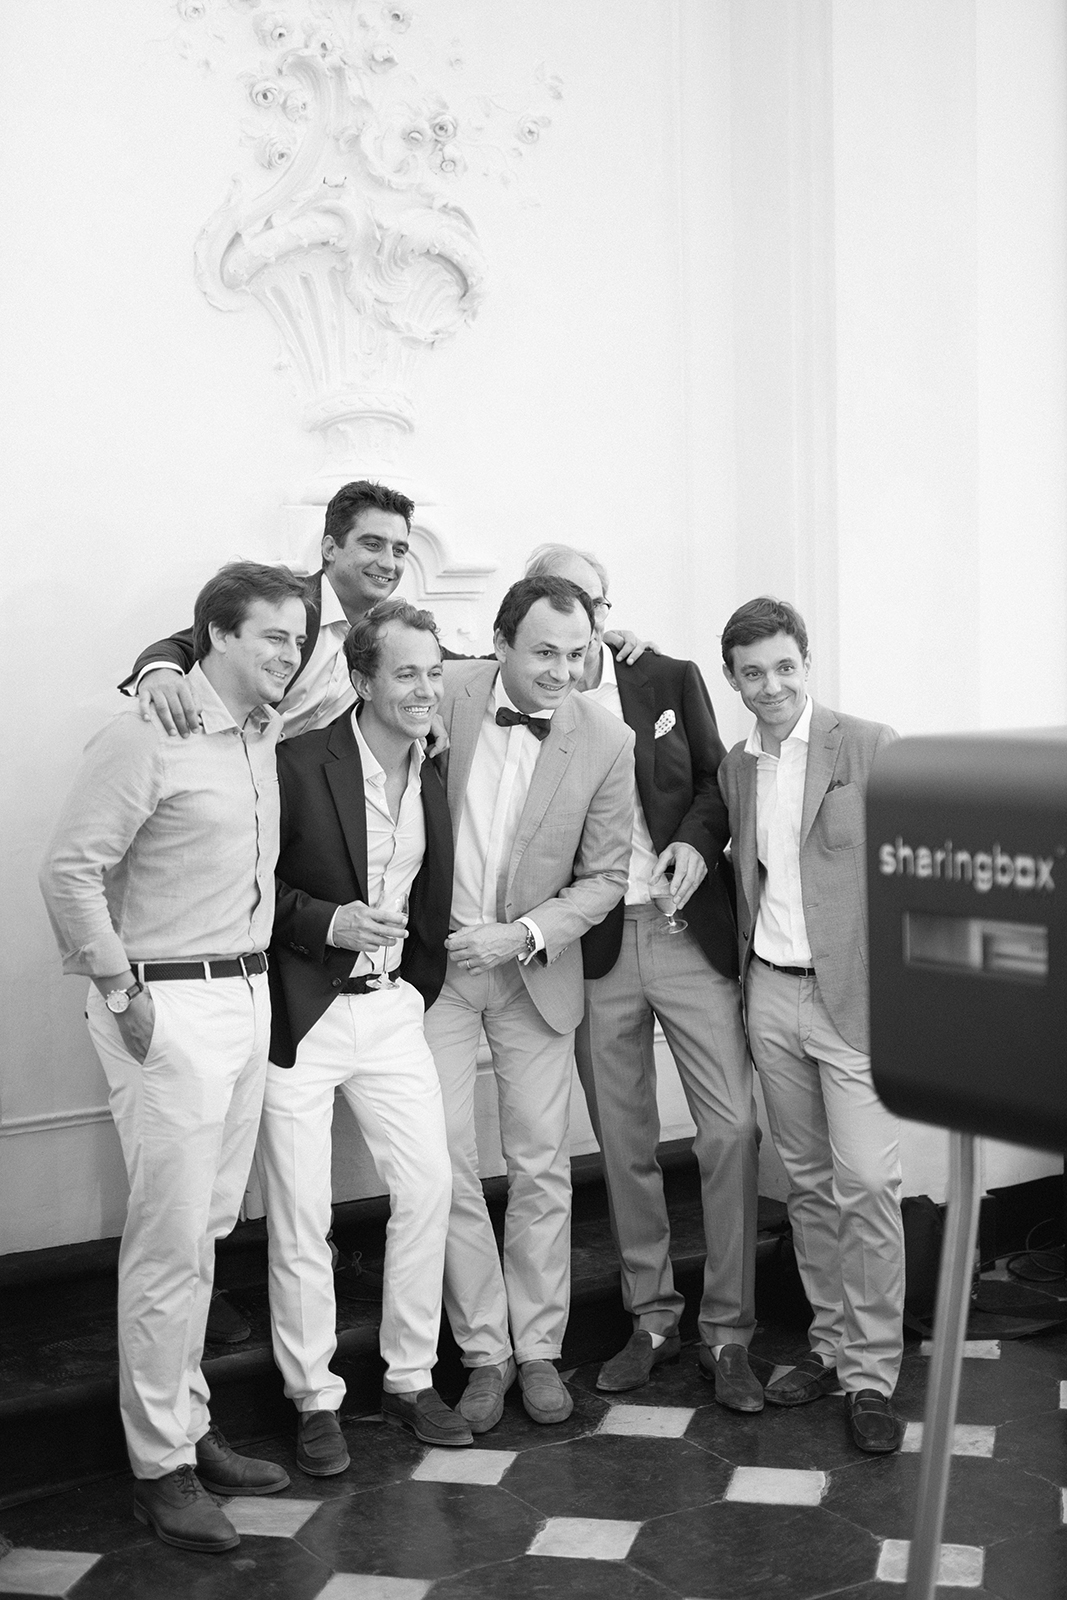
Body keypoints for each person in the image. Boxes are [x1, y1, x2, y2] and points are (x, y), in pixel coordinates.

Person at [39, 562, 311, 1553]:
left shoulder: (262, 728)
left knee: (201, 1231)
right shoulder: (143, 731)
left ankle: (189, 1428)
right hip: (165, 1002)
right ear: (217, 636)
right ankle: (160, 1470)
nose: (291, 651)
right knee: (164, 1245)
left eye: (297, 635)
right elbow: (68, 870)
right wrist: (122, 994)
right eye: (273, 635)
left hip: (243, 994)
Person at [524, 546, 761, 1411]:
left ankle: (729, 1333)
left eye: (586, 604)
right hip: (593, 942)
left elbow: (712, 782)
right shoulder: (522, 698)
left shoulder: (666, 676)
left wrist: (697, 844)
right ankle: (652, 1319)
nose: (573, 626)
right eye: (555, 609)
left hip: (681, 930)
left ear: (602, 609)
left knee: (729, 1129)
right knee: (622, 1144)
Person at [257, 598, 470, 1472]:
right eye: (406, 674)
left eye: (433, 672)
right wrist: (325, 922)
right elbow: (244, 881)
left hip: (389, 1012)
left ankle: (411, 1377)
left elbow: (429, 892)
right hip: (301, 1015)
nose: (425, 690)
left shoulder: (432, 767)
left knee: (428, 1188)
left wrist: (416, 986)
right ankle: (314, 1398)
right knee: (301, 1213)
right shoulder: (296, 763)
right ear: (361, 679)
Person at [425, 574, 635, 1433]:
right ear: (500, 643)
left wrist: (522, 935)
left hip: (531, 968)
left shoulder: (607, 737)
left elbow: (607, 877)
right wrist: (164, 666)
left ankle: (541, 1348)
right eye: (543, 652)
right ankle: (484, 1353)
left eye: (575, 654)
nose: (560, 670)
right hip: (432, 966)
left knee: (541, 1162)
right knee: (439, 1162)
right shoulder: (442, 689)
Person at [718, 596, 905, 1453]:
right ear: (732, 678)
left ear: (806, 663)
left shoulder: (866, 746)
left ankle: (872, 1373)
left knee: (865, 1181)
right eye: (751, 673)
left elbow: (908, 876)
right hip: (772, 995)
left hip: (854, 1000)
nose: (770, 686)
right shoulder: (734, 766)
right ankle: (830, 1346)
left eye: (783, 667)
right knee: (804, 1184)